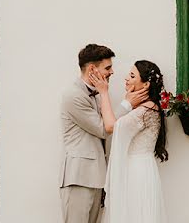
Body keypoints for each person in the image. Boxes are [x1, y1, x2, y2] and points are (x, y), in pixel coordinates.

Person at [60, 44, 147, 223]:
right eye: (107, 67)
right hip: (79, 178)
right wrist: (127, 104)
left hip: (97, 177)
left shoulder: (99, 94)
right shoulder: (73, 95)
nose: (112, 72)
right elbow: (103, 128)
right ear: (92, 69)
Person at [90, 59, 169, 223]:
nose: (126, 78)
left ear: (145, 85)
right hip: (140, 168)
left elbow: (111, 126)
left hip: (136, 172)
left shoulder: (145, 111)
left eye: (132, 76)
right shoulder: (149, 107)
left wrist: (104, 93)